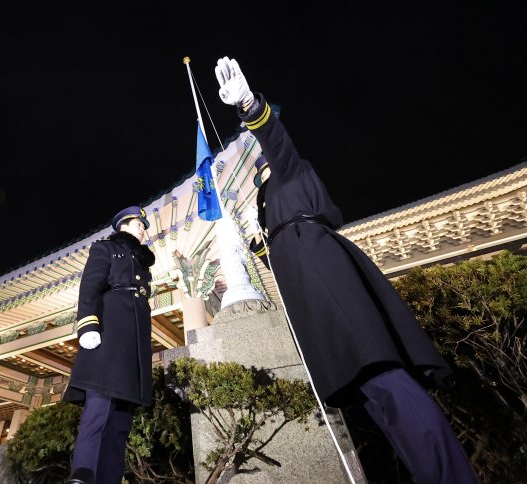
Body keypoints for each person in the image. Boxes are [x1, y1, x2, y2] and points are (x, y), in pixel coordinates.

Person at [214, 56, 478, 484]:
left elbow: (279, 146)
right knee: (376, 399)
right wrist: (260, 248)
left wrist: (249, 107)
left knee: (382, 377)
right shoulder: (278, 217)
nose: (264, 175)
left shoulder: (290, 171)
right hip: (306, 285)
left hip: (322, 269)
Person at [63, 205, 155, 484]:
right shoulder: (106, 249)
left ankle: (108, 478)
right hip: (109, 339)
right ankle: (83, 474)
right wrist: (88, 324)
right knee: (98, 411)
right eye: (139, 223)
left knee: (119, 423)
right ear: (123, 225)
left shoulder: (139, 260)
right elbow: (90, 286)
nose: (143, 228)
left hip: (132, 348)